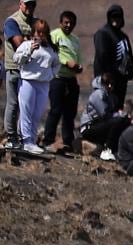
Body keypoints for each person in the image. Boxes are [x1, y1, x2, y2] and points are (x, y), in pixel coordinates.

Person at [39, 7, 77, 151]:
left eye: (71, 23)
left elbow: (77, 57)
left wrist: (77, 67)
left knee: (70, 112)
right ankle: (48, 140)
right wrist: (67, 63)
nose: (68, 25)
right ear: (61, 22)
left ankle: (68, 141)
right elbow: (50, 53)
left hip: (71, 79)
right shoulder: (54, 35)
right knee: (56, 110)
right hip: (57, 78)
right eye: (66, 22)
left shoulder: (75, 40)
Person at [13, 15, 54, 151]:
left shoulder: (50, 49)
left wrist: (52, 74)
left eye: (43, 32)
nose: (40, 34)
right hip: (28, 81)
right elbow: (17, 59)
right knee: (27, 111)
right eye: (38, 31)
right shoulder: (26, 45)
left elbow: (56, 63)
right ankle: (26, 141)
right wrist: (30, 50)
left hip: (43, 83)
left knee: (37, 113)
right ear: (34, 32)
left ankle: (32, 139)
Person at [3, 0, 36, 151]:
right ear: (20, 4)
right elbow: (19, 43)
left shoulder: (36, 22)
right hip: (14, 69)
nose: (30, 7)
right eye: (27, 4)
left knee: (28, 105)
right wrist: (33, 41)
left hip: (30, 72)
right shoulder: (12, 21)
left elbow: (45, 40)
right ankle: (11, 137)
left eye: (33, 4)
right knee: (13, 103)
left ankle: (24, 137)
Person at [90, 2, 127, 113]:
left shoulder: (123, 36)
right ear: (109, 18)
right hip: (107, 80)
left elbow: (128, 54)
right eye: (113, 16)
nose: (115, 19)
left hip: (121, 80)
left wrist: (129, 70)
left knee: (117, 108)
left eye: (118, 16)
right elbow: (102, 55)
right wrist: (109, 74)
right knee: (105, 109)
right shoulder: (103, 33)